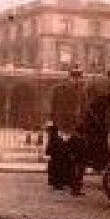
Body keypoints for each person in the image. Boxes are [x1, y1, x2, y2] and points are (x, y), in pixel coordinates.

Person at [48, 66, 87, 194]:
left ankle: (64, 182)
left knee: (65, 155)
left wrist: (79, 123)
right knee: (61, 155)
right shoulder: (62, 90)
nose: (76, 80)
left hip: (72, 127)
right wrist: (62, 128)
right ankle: (59, 182)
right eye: (74, 77)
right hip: (63, 127)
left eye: (78, 77)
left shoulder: (80, 91)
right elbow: (57, 109)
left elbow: (82, 110)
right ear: (69, 77)